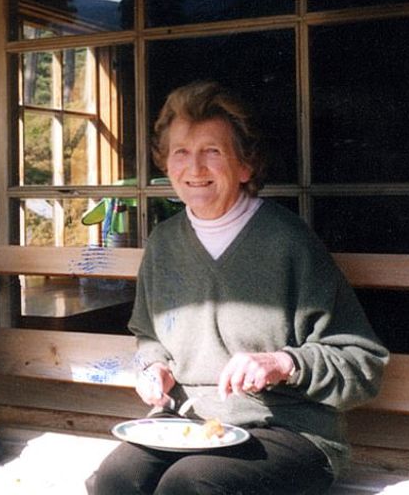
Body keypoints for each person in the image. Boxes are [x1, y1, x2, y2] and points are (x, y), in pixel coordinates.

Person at [86, 81, 389, 495]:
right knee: (115, 481)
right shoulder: (163, 243)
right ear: (166, 164)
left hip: (287, 430)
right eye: (181, 153)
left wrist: (283, 363)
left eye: (212, 151)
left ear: (245, 165)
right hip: (188, 423)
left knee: (190, 486)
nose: (194, 169)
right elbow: (150, 336)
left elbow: (362, 363)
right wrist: (152, 366)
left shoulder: (289, 243)